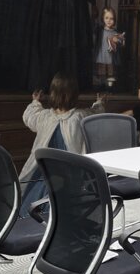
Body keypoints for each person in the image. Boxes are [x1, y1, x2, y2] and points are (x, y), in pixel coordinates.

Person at [18, 73, 105, 217]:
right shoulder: (80, 117)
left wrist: (35, 102)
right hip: (70, 179)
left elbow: (29, 116)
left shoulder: (45, 117)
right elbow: (96, 113)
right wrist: (100, 103)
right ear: (75, 94)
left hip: (44, 176)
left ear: (52, 93)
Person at [93, 6, 125, 89]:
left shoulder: (115, 31)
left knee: (111, 70)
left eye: (111, 18)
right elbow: (94, 37)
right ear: (103, 18)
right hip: (101, 52)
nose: (109, 20)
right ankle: (101, 84)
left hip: (110, 54)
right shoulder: (100, 30)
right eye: (106, 18)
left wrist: (117, 40)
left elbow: (121, 41)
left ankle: (109, 85)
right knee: (101, 69)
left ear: (114, 20)